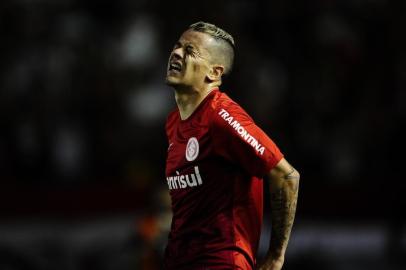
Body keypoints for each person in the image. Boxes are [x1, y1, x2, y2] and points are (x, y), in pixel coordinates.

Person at [164, 21, 300, 270]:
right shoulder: (173, 122)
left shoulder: (221, 116)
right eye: (177, 46)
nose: (177, 53)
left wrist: (275, 256)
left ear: (214, 73)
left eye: (190, 51)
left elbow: (286, 175)